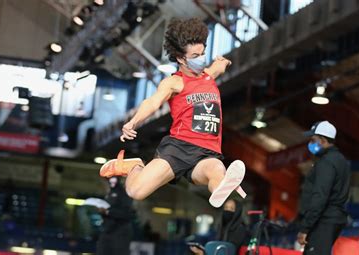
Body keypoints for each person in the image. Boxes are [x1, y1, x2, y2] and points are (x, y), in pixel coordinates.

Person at [99, 18, 246, 208]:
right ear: (180, 58)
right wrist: (133, 122)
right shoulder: (174, 83)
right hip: (179, 149)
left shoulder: (209, 75)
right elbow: (152, 102)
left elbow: (216, 68)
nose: (201, 58)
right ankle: (135, 166)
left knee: (217, 169)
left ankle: (223, 187)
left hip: (208, 152)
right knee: (135, 192)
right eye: (195, 55)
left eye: (202, 53)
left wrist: (222, 64)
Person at [297, 121, 351, 255]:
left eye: (313, 140)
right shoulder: (341, 160)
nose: (310, 143)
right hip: (334, 217)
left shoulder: (326, 162)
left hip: (324, 219)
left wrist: (305, 228)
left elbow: (320, 196)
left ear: (323, 140)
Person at [96, 177, 135, 255]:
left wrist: (107, 211)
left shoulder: (124, 193)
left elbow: (127, 214)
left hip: (119, 233)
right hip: (107, 231)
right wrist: (102, 212)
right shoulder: (109, 194)